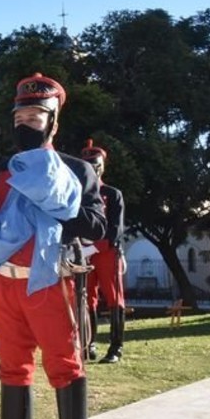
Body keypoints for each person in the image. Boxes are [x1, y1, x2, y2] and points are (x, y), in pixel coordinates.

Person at [0, 73, 106, 419]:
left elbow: (98, 226)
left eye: (34, 118)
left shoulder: (76, 170)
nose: (25, 126)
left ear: (52, 121)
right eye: (19, 119)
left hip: (51, 280)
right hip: (5, 284)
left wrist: (59, 206)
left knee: (65, 367)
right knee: (12, 370)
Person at [80, 139, 128, 364]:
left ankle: (116, 347)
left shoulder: (113, 193)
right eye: (88, 163)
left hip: (107, 252)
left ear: (103, 166)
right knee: (85, 299)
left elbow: (115, 230)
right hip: (83, 253)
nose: (92, 167)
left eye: (95, 163)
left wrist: (92, 247)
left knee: (114, 299)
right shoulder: (77, 195)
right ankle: (88, 343)